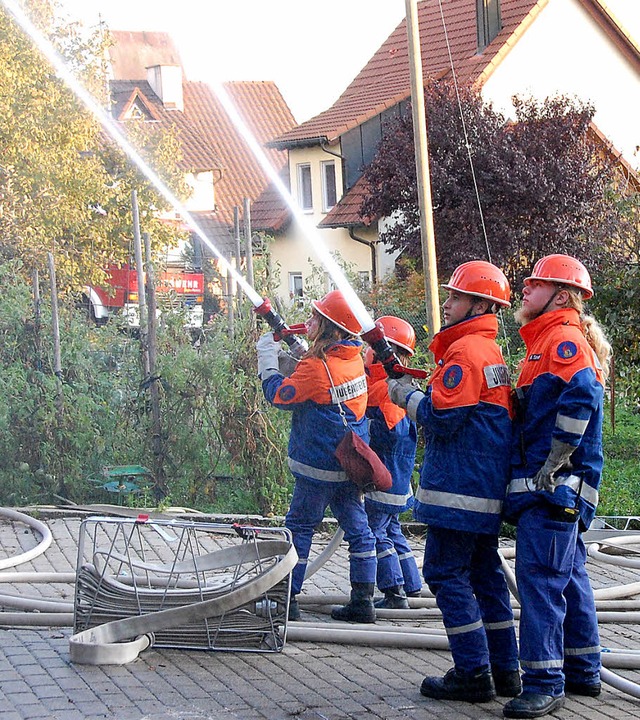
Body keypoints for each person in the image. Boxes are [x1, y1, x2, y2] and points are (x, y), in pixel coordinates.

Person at [387, 260, 520, 703]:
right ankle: (505, 670)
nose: (446, 304)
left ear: (479, 303)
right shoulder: (490, 352)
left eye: (455, 297)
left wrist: (406, 396)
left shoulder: (465, 353)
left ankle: (472, 672)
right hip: (482, 488)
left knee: (444, 572)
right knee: (485, 578)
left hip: (458, 490)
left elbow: (443, 419)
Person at [502, 255, 611, 719]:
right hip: (562, 489)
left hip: (555, 489)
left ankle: (545, 682)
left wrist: (556, 459)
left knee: (541, 581)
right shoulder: (546, 340)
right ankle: (584, 670)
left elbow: (581, 396)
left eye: (536, 284)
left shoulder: (561, 341)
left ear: (561, 295)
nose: (525, 290)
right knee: (569, 577)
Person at [256, 289, 378, 623]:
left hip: (318, 467)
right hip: (349, 466)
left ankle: (287, 600)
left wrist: (267, 360)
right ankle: (363, 600)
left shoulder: (315, 368)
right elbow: (322, 373)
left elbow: (282, 395)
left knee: (299, 528)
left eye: (315, 318)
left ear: (331, 329)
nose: (308, 321)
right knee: (359, 530)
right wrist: (297, 349)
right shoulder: (352, 357)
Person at [363, 316, 422, 608]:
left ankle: (393, 591)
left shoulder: (380, 391)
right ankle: (411, 584)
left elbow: (381, 435)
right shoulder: (396, 387)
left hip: (382, 481)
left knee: (375, 533)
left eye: (367, 347)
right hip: (399, 481)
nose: (364, 352)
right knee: (392, 529)